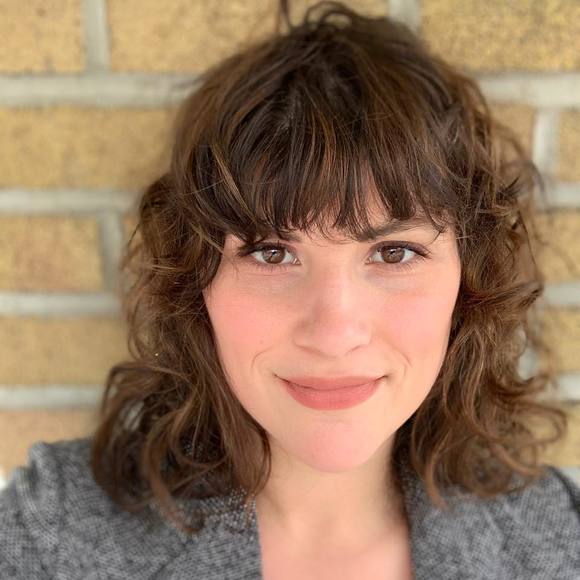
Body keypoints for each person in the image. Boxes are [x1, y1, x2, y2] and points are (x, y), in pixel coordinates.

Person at [1, 1, 579, 578]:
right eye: (272, 253)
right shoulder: (52, 535)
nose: (334, 334)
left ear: (468, 283)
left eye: (393, 252)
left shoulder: (556, 538)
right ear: (194, 282)